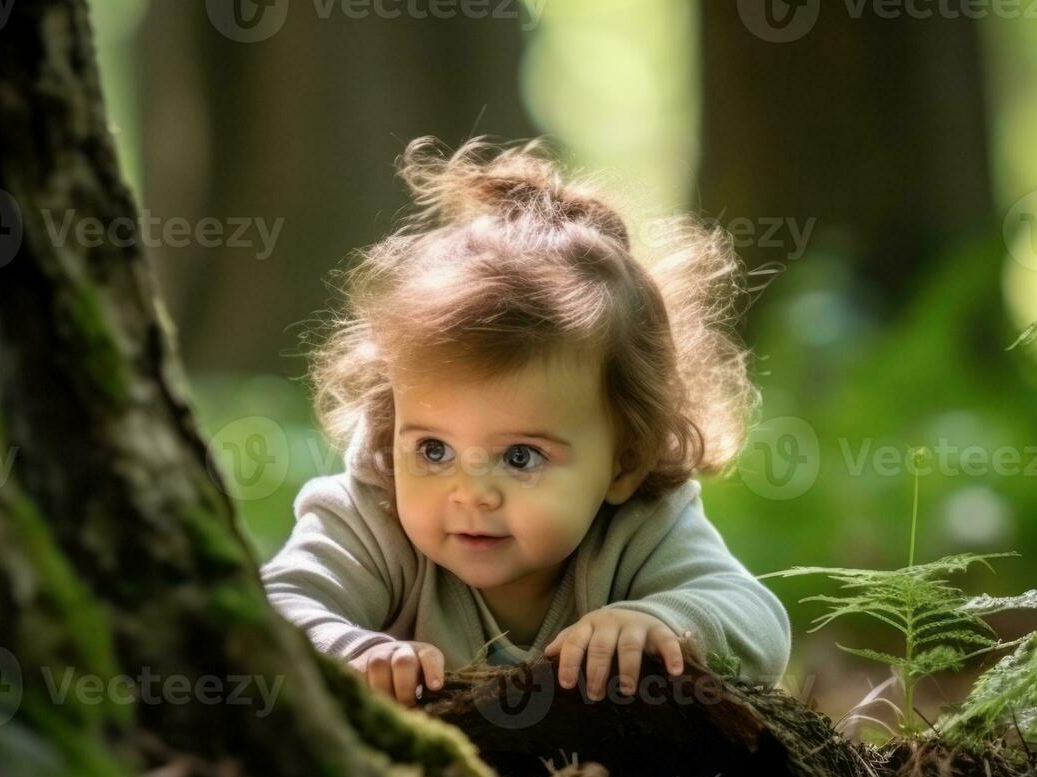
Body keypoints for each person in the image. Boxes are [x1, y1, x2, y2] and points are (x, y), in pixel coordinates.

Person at [261, 136, 790, 708]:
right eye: (434, 450)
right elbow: (275, 602)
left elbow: (760, 627)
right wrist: (350, 651)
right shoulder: (374, 517)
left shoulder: (641, 528)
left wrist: (658, 620)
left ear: (626, 459)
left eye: (520, 457)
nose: (470, 494)